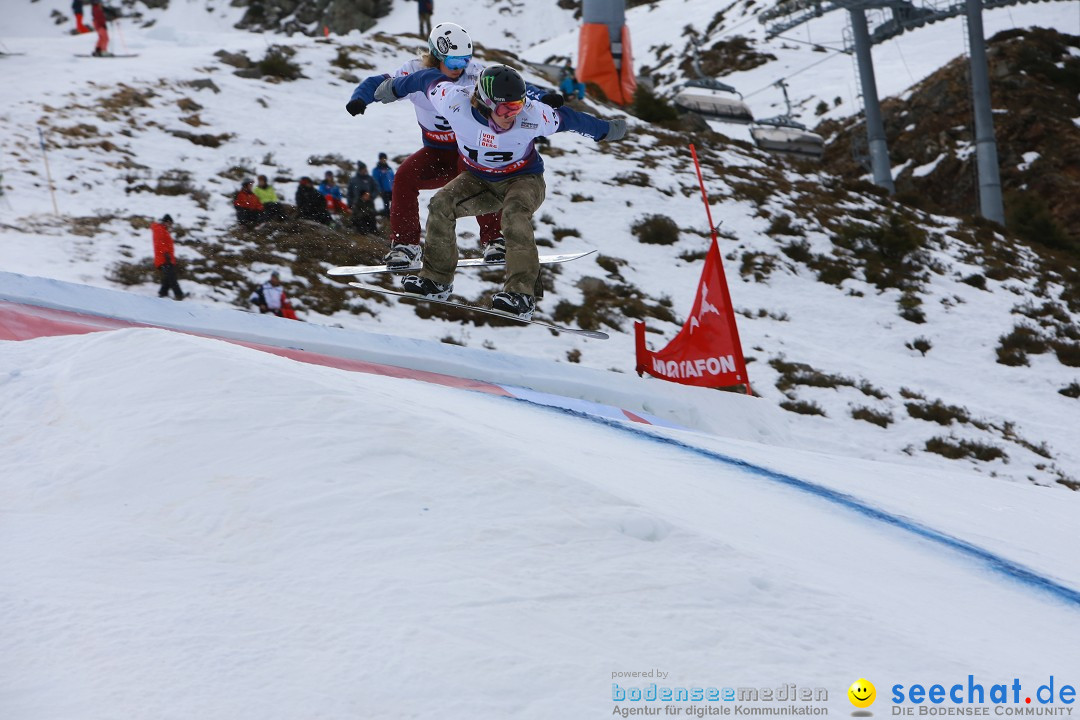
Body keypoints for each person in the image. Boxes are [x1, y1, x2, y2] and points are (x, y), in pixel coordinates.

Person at [376, 64, 627, 319]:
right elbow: (424, 78)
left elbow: (570, 120)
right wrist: (394, 87)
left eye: (517, 106)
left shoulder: (532, 116)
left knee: (514, 214)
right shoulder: (454, 102)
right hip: (479, 180)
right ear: (485, 102)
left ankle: (521, 295)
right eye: (505, 108)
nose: (512, 115)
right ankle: (436, 280)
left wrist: (605, 131)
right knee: (441, 203)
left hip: (524, 179)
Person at [346, 23, 562, 270]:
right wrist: (360, 99)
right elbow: (379, 81)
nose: (460, 69)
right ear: (435, 57)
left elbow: (514, 89)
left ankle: (495, 240)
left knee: (483, 174)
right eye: (454, 63)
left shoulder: (475, 74)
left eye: (465, 61)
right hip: (437, 152)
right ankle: (406, 246)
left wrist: (544, 97)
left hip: (471, 150)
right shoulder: (415, 71)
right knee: (404, 177)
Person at [152, 214, 184, 300]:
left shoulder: (163, 230)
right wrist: (166, 254)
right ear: (167, 221)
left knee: (168, 277)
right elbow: (160, 243)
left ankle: (163, 293)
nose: (170, 225)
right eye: (170, 223)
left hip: (166, 258)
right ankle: (179, 295)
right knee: (171, 277)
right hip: (164, 258)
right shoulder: (159, 230)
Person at [347, 162, 379, 235]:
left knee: (370, 216)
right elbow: (349, 193)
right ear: (359, 170)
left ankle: (372, 231)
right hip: (356, 203)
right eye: (363, 169)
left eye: (365, 169)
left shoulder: (370, 179)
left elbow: (376, 189)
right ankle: (360, 231)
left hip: (368, 203)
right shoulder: (354, 180)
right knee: (358, 217)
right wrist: (349, 204)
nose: (365, 171)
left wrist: (371, 197)